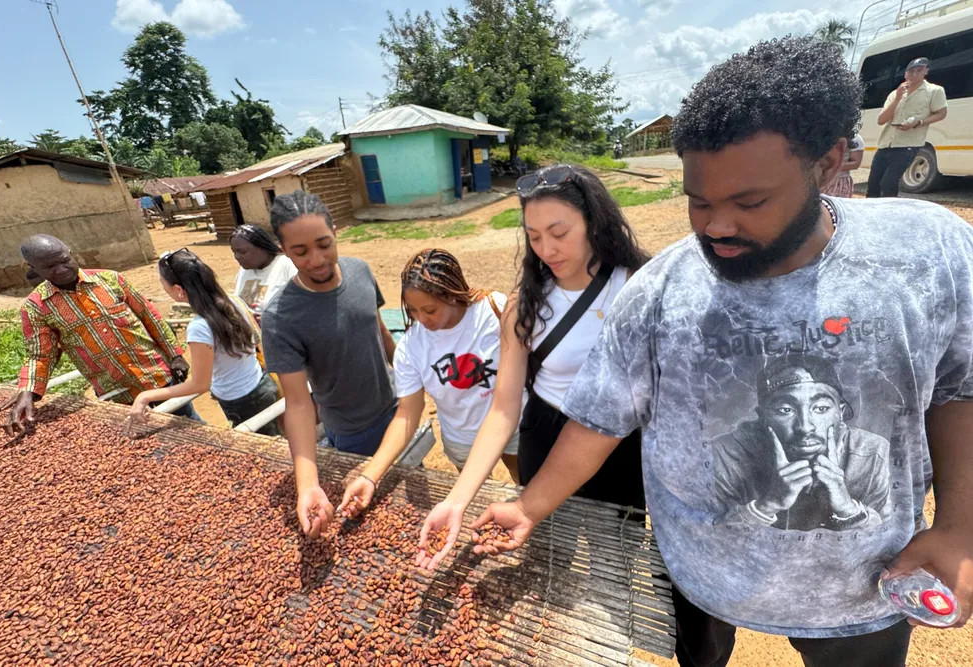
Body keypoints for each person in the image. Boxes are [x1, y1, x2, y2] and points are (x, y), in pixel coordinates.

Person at [471, 37, 973, 667]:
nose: (715, 227)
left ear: (828, 161)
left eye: (749, 201)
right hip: (702, 580)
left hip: (862, 591)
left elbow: (960, 387)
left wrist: (959, 525)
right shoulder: (656, 292)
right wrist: (528, 505)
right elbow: (600, 419)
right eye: (698, 201)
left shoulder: (929, 252)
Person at [415, 165, 651, 570]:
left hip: (619, 446)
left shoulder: (636, 287)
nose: (547, 250)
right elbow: (504, 409)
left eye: (559, 234)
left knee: (616, 558)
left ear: (594, 222)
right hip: (545, 432)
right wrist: (456, 500)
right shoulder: (524, 305)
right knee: (550, 555)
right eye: (534, 236)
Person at [338, 248, 521, 517]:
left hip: (516, 425)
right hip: (463, 438)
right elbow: (407, 414)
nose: (422, 319)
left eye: (430, 310)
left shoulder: (494, 310)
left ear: (452, 293)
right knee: (477, 501)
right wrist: (369, 476)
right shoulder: (411, 348)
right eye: (413, 311)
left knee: (522, 486)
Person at [261, 191, 398, 537]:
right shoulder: (281, 316)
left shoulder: (360, 271)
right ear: (283, 250)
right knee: (380, 525)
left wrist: (411, 384)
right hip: (353, 432)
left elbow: (379, 331)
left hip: (397, 413)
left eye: (324, 244)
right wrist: (307, 483)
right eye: (300, 251)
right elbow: (297, 403)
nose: (317, 259)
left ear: (336, 232)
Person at [6, 235, 195, 436]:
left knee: (190, 427)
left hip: (158, 375)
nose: (61, 269)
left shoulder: (111, 280)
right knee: (146, 441)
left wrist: (175, 355)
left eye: (64, 260)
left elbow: (149, 317)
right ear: (32, 267)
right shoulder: (36, 308)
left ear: (70, 252)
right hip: (117, 392)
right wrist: (27, 391)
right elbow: (40, 355)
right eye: (50, 266)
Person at [715, 355, 890, 531]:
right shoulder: (726, 453)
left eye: (821, 408)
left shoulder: (873, 453)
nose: (805, 427)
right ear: (763, 417)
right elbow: (708, 543)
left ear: (840, 413)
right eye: (786, 410)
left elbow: (890, 540)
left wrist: (847, 507)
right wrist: (768, 504)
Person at [127, 249, 280, 436]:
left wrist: (146, 395)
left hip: (241, 400)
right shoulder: (232, 301)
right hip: (260, 384)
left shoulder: (199, 328)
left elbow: (200, 384)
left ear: (178, 290)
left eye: (163, 283)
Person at [867, 57, 948, 198]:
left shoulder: (934, 91)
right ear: (905, 74)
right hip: (886, 143)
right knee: (873, 183)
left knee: (888, 183)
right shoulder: (895, 93)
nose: (915, 73)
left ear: (926, 71)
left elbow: (941, 113)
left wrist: (918, 123)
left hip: (908, 144)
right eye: (911, 71)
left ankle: (890, 214)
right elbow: (881, 120)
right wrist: (898, 97)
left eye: (919, 70)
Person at [230, 224, 298, 316]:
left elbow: (303, 307)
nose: (237, 257)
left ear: (262, 247)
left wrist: (269, 319)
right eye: (234, 252)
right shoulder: (244, 270)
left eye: (242, 252)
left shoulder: (287, 266)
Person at [821, 133, 863, 198]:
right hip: (820, 178)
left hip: (839, 181)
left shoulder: (855, 138)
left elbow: (856, 164)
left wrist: (831, 166)